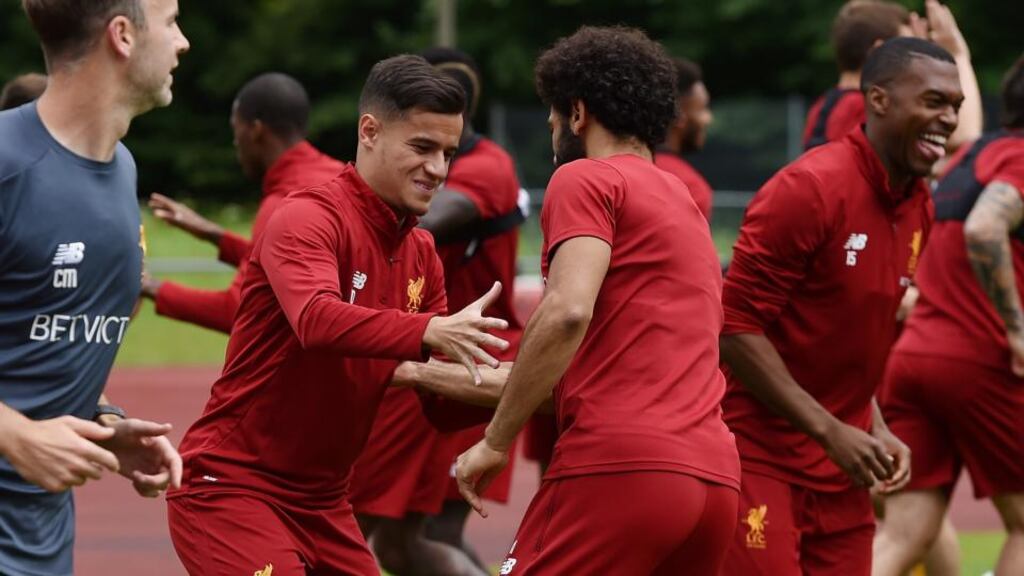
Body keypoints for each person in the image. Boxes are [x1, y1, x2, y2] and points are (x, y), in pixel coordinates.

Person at [166, 54, 513, 576]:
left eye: (448, 152)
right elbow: (317, 320)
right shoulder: (307, 216)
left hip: (323, 502)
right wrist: (427, 330)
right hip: (232, 488)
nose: (438, 169)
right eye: (421, 147)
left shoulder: (421, 253)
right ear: (369, 131)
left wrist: (528, 386)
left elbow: (440, 403)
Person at [456, 26, 741, 574]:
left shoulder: (585, 178)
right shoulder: (682, 199)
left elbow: (566, 312)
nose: (549, 124)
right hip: (713, 478)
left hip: (623, 467)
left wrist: (495, 441)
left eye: (553, 110)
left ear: (579, 112)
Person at [718, 37, 963, 575]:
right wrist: (831, 429)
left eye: (955, 106)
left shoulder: (919, 202)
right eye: (933, 101)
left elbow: (850, 336)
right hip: (760, 455)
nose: (947, 119)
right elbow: (733, 328)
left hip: (839, 470)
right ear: (878, 100)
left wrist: (872, 426)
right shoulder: (809, 189)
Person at [0, 0, 189, 574]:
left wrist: (103, 422)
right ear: (123, 36)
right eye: (173, 21)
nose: (183, 43)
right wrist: (13, 434)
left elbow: (36, 341)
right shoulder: (6, 164)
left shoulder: (122, 170)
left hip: (44, 543)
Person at [349, 46, 524, 576]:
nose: (436, 166)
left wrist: (362, 230)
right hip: (435, 346)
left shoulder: (484, 169)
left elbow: (429, 223)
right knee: (401, 542)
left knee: (382, 524)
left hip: (462, 353)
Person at [872, 54, 1024, 576]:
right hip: (982, 360)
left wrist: (957, 48)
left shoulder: (972, 157)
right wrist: (1017, 329)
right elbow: (985, 229)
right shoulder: (1021, 161)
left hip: (915, 358)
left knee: (905, 532)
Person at [141, 73, 343, 333]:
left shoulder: (283, 204)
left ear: (256, 131)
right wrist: (215, 235)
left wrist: (149, 286)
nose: (236, 145)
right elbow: (290, 260)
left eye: (237, 133)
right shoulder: (337, 174)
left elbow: (239, 310)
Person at [804, 0, 980, 157]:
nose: (916, 58)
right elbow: (962, 137)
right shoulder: (867, 106)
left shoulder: (822, 108)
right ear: (877, 53)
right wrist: (958, 55)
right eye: (906, 49)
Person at [654, 57, 714, 221]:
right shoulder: (689, 187)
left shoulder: (609, 168)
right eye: (701, 108)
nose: (708, 119)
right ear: (678, 115)